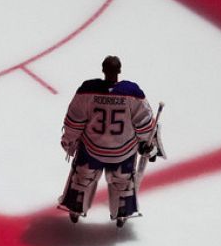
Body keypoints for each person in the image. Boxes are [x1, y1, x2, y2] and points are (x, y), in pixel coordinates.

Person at [58, 55, 158, 226]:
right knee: (122, 182)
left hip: (93, 149)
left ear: (103, 70)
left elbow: (75, 120)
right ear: (119, 71)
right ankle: (122, 211)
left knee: (83, 177)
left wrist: (69, 140)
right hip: (123, 150)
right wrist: (148, 144)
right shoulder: (132, 92)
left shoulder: (88, 90)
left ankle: (76, 206)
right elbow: (145, 123)